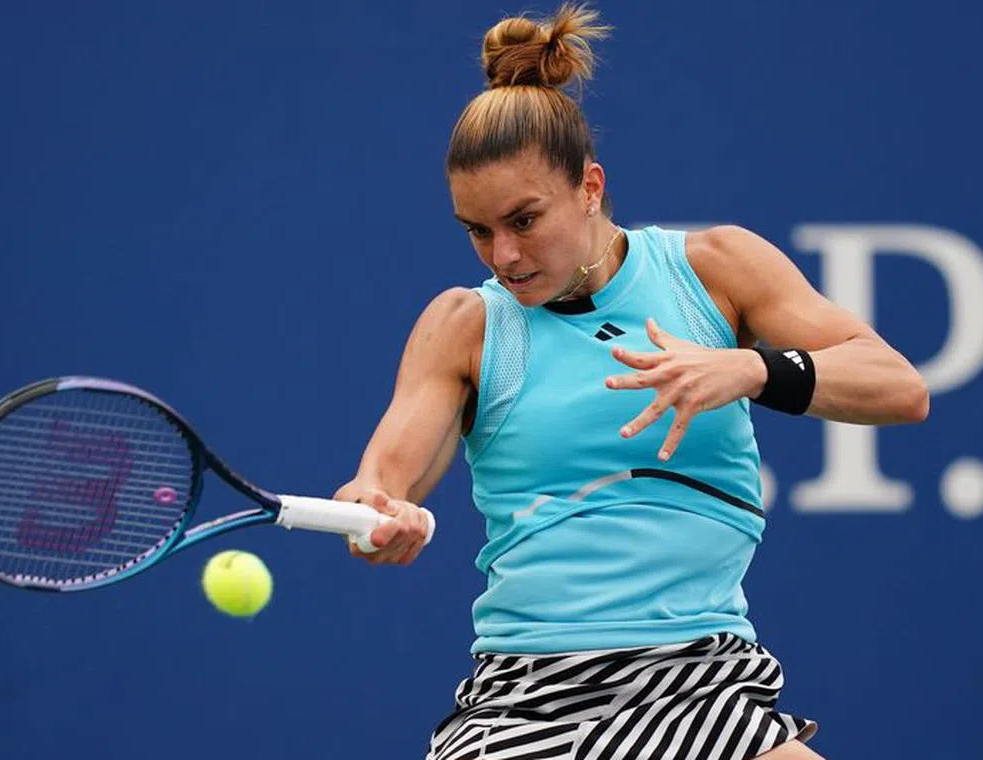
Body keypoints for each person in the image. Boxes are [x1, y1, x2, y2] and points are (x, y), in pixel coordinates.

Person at [333, 5, 929, 759]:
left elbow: (899, 385)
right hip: (528, 699)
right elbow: (381, 478)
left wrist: (747, 367)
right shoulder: (465, 326)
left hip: (706, 686)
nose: (504, 256)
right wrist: (375, 515)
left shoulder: (715, 270)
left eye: (524, 219)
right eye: (478, 230)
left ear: (589, 187)